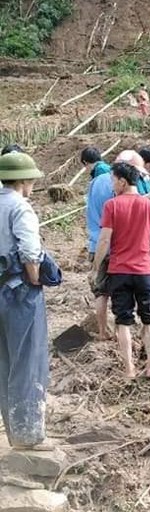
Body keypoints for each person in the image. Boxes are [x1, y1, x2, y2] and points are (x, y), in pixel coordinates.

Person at [0, 152, 59, 449]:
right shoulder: (20, 207)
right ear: (23, 180)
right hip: (19, 294)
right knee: (28, 362)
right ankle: (28, 435)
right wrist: (35, 276)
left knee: (4, 362)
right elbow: (30, 252)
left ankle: (13, 431)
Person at [92, 163, 150, 379]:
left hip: (119, 271)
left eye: (113, 180)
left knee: (123, 320)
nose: (111, 185)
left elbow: (105, 239)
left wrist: (96, 267)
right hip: (145, 271)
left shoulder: (112, 206)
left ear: (122, 182)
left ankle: (129, 370)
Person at [86, 162, 116, 340]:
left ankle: (103, 332)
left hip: (96, 244)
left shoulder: (92, 186)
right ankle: (120, 332)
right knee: (119, 292)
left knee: (101, 292)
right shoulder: (114, 185)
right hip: (115, 246)